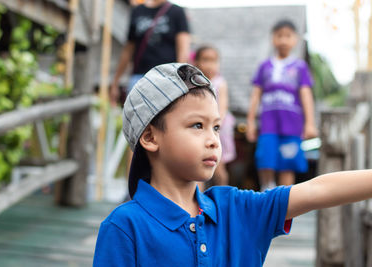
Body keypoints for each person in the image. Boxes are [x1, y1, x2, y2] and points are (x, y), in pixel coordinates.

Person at [93, 63, 372, 266]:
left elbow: (318, 190)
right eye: (197, 125)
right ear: (151, 137)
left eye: (216, 127)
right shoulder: (124, 227)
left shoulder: (237, 209)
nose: (214, 140)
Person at [246, 19, 318, 191]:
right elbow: (256, 95)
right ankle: (267, 192)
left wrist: (310, 123)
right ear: (273, 39)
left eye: (288, 36)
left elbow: (306, 95)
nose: (283, 40)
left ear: (295, 40)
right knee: (265, 160)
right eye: (279, 36)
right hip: (268, 124)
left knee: (287, 164)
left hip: (292, 125)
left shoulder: (300, 67)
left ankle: (285, 204)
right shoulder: (265, 66)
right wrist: (250, 122)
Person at [109, 0, 190, 106]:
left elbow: (183, 48)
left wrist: (181, 78)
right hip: (140, 77)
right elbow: (128, 49)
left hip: (167, 77)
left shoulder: (176, 11)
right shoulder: (137, 11)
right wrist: (116, 82)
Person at [194, 46, 236, 187]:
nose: (210, 65)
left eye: (214, 61)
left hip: (218, 130)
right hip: (199, 130)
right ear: (196, 62)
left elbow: (222, 108)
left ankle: (224, 197)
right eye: (205, 60)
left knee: (218, 166)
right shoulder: (195, 84)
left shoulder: (220, 83)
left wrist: (215, 127)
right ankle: (197, 200)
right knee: (196, 166)